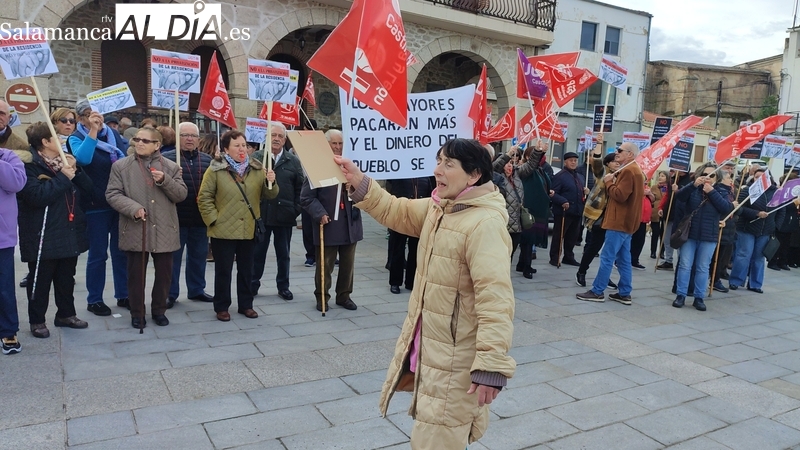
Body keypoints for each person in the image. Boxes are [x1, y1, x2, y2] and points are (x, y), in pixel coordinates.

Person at [336, 138, 515, 449]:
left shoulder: (484, 224)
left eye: (448, 164)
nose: (437, 170)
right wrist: (360, 181)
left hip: (456, 361)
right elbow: (397, 210)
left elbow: (495, 300)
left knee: (436, 439)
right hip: (432, 350)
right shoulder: (441, 207)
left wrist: (490, 366)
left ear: (473, 175)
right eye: (438, 161)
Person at [17, 122, 93, 338]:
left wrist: (75, 170)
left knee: (66, 277)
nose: (61, 140)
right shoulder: (29, 165)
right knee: (40, 280)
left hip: (68, 229)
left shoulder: (65, 162)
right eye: (56, 137)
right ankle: (37, 320)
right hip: (42, 232)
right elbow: (37, 197)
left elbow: (88, 190)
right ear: (45, 142)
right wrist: (63, 177)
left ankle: (66, 314)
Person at [106, 127, 186, 329]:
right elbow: (113, 194)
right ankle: (137, 313)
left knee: (164, 274)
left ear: (157, 145)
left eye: (145, 140)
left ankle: (159, 310)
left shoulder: (171, 167)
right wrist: (133, 208)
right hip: (135, 227)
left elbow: (181, 195)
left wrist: (165, 180)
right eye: (136, 139)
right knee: (135, 275)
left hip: (165, 228)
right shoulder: (121, 166)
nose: (139, 143)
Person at [197, 130, 278, 321]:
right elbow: (204, 197)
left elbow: (270, 195)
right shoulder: (215, 169)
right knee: (223, 270)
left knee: (247, 269)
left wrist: (271, 182)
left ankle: (246, 305)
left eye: (243, 145)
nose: (241, 149)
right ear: (226, 149)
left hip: (248, 228)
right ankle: (222, 306)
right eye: (236, 146)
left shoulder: (257, 169)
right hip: (222, 229)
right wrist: (214, 219)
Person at [67, 99, 129, 316]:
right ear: (81, 119)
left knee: (121, 252)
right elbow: (83, 159)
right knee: (98, 254)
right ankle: (94, 299)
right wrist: (92, 131)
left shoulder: (114, 137)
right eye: (88, 115)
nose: (96, 118)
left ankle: (124, 294)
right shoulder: (76, 138)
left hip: (119, 202)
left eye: (97, 114)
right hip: (95, 203)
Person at [300, 130, 363, 311]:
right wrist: (320, 213)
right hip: (328, 224)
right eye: (334, 144)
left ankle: (344, 296)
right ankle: (322, 297)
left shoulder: (352, 166)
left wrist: (356, 188)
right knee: (325, 265)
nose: (337, 147)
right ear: (327, 145)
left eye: (340, 143)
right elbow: (306, 197)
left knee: (348, 265)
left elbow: (366, 192)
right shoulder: (317, 167)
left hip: (350, 223)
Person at [577, 142, 645, 304]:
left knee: (607, 257)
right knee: (623, 259)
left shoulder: (629, 170)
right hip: (625, 222)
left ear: (630, 154)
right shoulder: (634, 170)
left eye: (620, 150)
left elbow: (620, 195)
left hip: (618, 222)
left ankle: (597, 291)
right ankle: (624, 293)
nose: (617, 153)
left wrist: (609, 182)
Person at [161, 123, 214, 308]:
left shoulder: (208, 160)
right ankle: (170, 293)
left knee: (198, 256)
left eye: (193, 135)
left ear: (199, 140)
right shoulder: (166, 159)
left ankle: (197, 289)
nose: (189, 139)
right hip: (175, 218)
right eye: (185, 135)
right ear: (178, 138)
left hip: (200, 218)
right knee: (173, 259)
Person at [251, 123, 304, 300]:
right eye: (273, 135)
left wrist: (295, 210)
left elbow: (300, 188)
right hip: (262, 215)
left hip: (285, 215)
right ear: (266, 137)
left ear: (285, 140)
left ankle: (283, 286)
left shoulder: (293, 160)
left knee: (284, 254)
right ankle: (253, 284)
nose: (276, 139)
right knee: (258, 253)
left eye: (280, 136)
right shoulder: (257, 158)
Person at [672, 164, 733, 311]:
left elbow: (726, 208)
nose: (708, 177)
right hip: (690, 234)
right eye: (705, 174)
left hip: (708, 236)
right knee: (685, 265)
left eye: (712, 175)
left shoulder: (720, 191)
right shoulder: (693, 188)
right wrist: (693, 185)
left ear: (716, 177)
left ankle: (699, 297)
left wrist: (712, 192)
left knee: (703, 267)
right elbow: (679, 197)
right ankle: (681, 295)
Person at [494, 141, 551, 279]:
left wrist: (538, 150)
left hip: (516, 225)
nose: (509, 166)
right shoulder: (496, 177)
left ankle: (504, 279)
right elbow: (494, 167)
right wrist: (508, 154)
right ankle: (496, 277)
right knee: (498, 255)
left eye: (511, 163)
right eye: (507, 163)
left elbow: (531, 165)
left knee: (510, 253)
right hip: (501, 223)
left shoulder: (518, 175)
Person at [729, 167, 784, 293]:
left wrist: (775, 226)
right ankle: (736, 280)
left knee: (759, 258)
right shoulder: (748, 190)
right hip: (747, 228)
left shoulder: (776, 192)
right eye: (756, 177)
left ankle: (755, 284)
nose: (759, 179)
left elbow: (782, 210)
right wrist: (756, 213)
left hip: (765, 231)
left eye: (762, 177)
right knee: (744, 254)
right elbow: (739, 209)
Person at [576, 147, 620, 290]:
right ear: (607, 163)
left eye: (618, 161)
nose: (617, 163)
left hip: (613, 217)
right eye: (614, 161)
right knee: (593, 247)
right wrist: (599, 144)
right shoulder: (602, 174)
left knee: (609, 250)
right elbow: (596, 163)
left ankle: (604, 277)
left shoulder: (622, 175)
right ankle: (581, 271)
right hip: (599, 215)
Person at [385, 176, 434, 291]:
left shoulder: (425, 175)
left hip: (418, 216)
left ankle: (411, 282)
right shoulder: (401, 173)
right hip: (401, 214)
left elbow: (430, 193)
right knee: (398, 249)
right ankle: (395, 282)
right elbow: (391, 188)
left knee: (415, 250)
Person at [0, 146, 26, 354]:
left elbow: (17, 183)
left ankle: (8, 330)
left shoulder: (7, 156)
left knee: (4, 287)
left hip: (2, 237)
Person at [549, 151, 588, 267]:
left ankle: (568, 256)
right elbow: (552, 193)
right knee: (558, 236)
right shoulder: (560, 176)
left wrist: (585, 192)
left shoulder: (580, 176)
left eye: (575, 160)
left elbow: (579, 193)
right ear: (565, 162)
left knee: (573, 237)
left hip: (577, 211)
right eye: (571, 160)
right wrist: (563, 201)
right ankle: (555, 257)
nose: (573, 162)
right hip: (563, 212)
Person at [657, 170, 692, 270]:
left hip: (682, 215)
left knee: (680, 238)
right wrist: (661, 207)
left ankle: (681, 262)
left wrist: (678, 191)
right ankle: (668, 261)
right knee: (667, 238)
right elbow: (667, 196)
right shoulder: (672, 180)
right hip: (669, 212)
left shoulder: (690, 180)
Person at [712, 169, 737, 293]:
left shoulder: (730, 192)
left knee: (722, 258)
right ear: (721, 179)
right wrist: (732, 205)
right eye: (728, 178)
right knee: (715, 258)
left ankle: (716, 278)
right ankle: (714, 280)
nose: (731, 180)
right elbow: (723, 208)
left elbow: (736, 211)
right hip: (720, 229)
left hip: (729, 230)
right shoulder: (719, 191)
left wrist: (737, 207)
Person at [769, 173, 798, 271]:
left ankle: (782, 261)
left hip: (791, 221)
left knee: (786, 243)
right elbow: (781, 206)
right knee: (778, 242)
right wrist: (794, 204)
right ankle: (773, 261)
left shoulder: (794, 193)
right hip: (782, 221)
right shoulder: (781, 191)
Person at [630, 182, 654, 270]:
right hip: (634, 217)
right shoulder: (634, 184)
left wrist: (650, 194)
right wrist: (641, 193)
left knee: (640, 240)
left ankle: (635, 260)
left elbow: (652, 199)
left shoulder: (647, 187)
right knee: (631, 240)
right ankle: (621, 260)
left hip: (643, 219)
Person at [649, 171, 668, 259]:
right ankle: (653, 251)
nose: (660, 178)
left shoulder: (669, 188)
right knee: (655, 233)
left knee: (663, 233)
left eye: (663, 176)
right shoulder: (654, 187)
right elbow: (651, 199)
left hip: (665, 212)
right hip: (655, 213)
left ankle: (662, 252)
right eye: (659, 176)